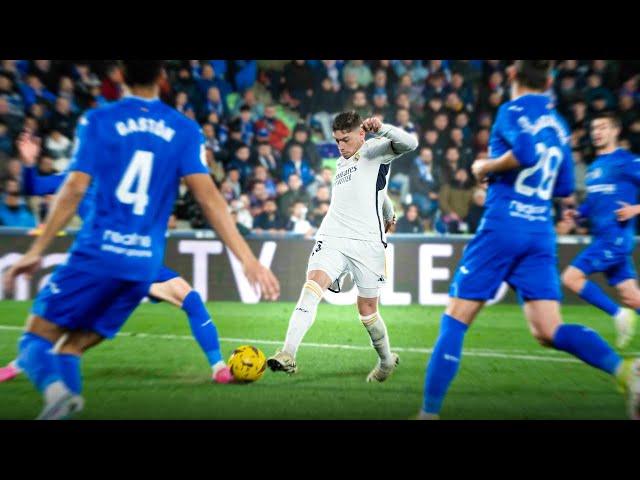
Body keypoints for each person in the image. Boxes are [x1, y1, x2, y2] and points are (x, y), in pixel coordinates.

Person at [1, 61, 280, 419]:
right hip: (142, 265)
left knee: (35, 341)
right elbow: (210, 199)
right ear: (163, 78)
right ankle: (63, 406)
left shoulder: (97, 121)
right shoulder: (184, 129)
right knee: (70, 348)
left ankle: (55, 393)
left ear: (118, 75)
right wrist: (248, 259)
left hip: (99, 255)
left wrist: (36, 249)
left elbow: (70, 187)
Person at [417, 60, 640, 420]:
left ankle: (428, 414)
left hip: (504, 226)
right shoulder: (558, 123)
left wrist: (485, 168)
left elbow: (526, 153)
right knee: (548, 330)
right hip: (540, 232)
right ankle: (624, 371)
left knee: (455, 320)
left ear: (512, 76)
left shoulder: (511, 109)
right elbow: (565, 186)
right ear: (549, 80)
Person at [267, 111, 417, 382]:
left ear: (362, 133)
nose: (340, 146)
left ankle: (385, 361)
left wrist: (382, 129)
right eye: (337, 141)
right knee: (312, 287)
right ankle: (288, 353)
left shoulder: (376, 149)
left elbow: (411, 144)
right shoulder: (340, 163)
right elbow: (372, 190)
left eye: (345, 140)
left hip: (367, 243)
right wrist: (388, 208)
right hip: (333, 236)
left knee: (368, 311)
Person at [561, 112, 640, 349]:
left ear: (615, 131)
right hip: (604, 237)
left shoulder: (627, 161)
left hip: (614, 239)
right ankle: (625, 310)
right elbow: (595, 203)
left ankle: (618, 315)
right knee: (632, 296)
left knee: (570, 277)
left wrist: (636, 208)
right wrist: (579, 214)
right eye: (594, 128)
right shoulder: (594, 167)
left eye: (603, 127)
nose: (597, 132)